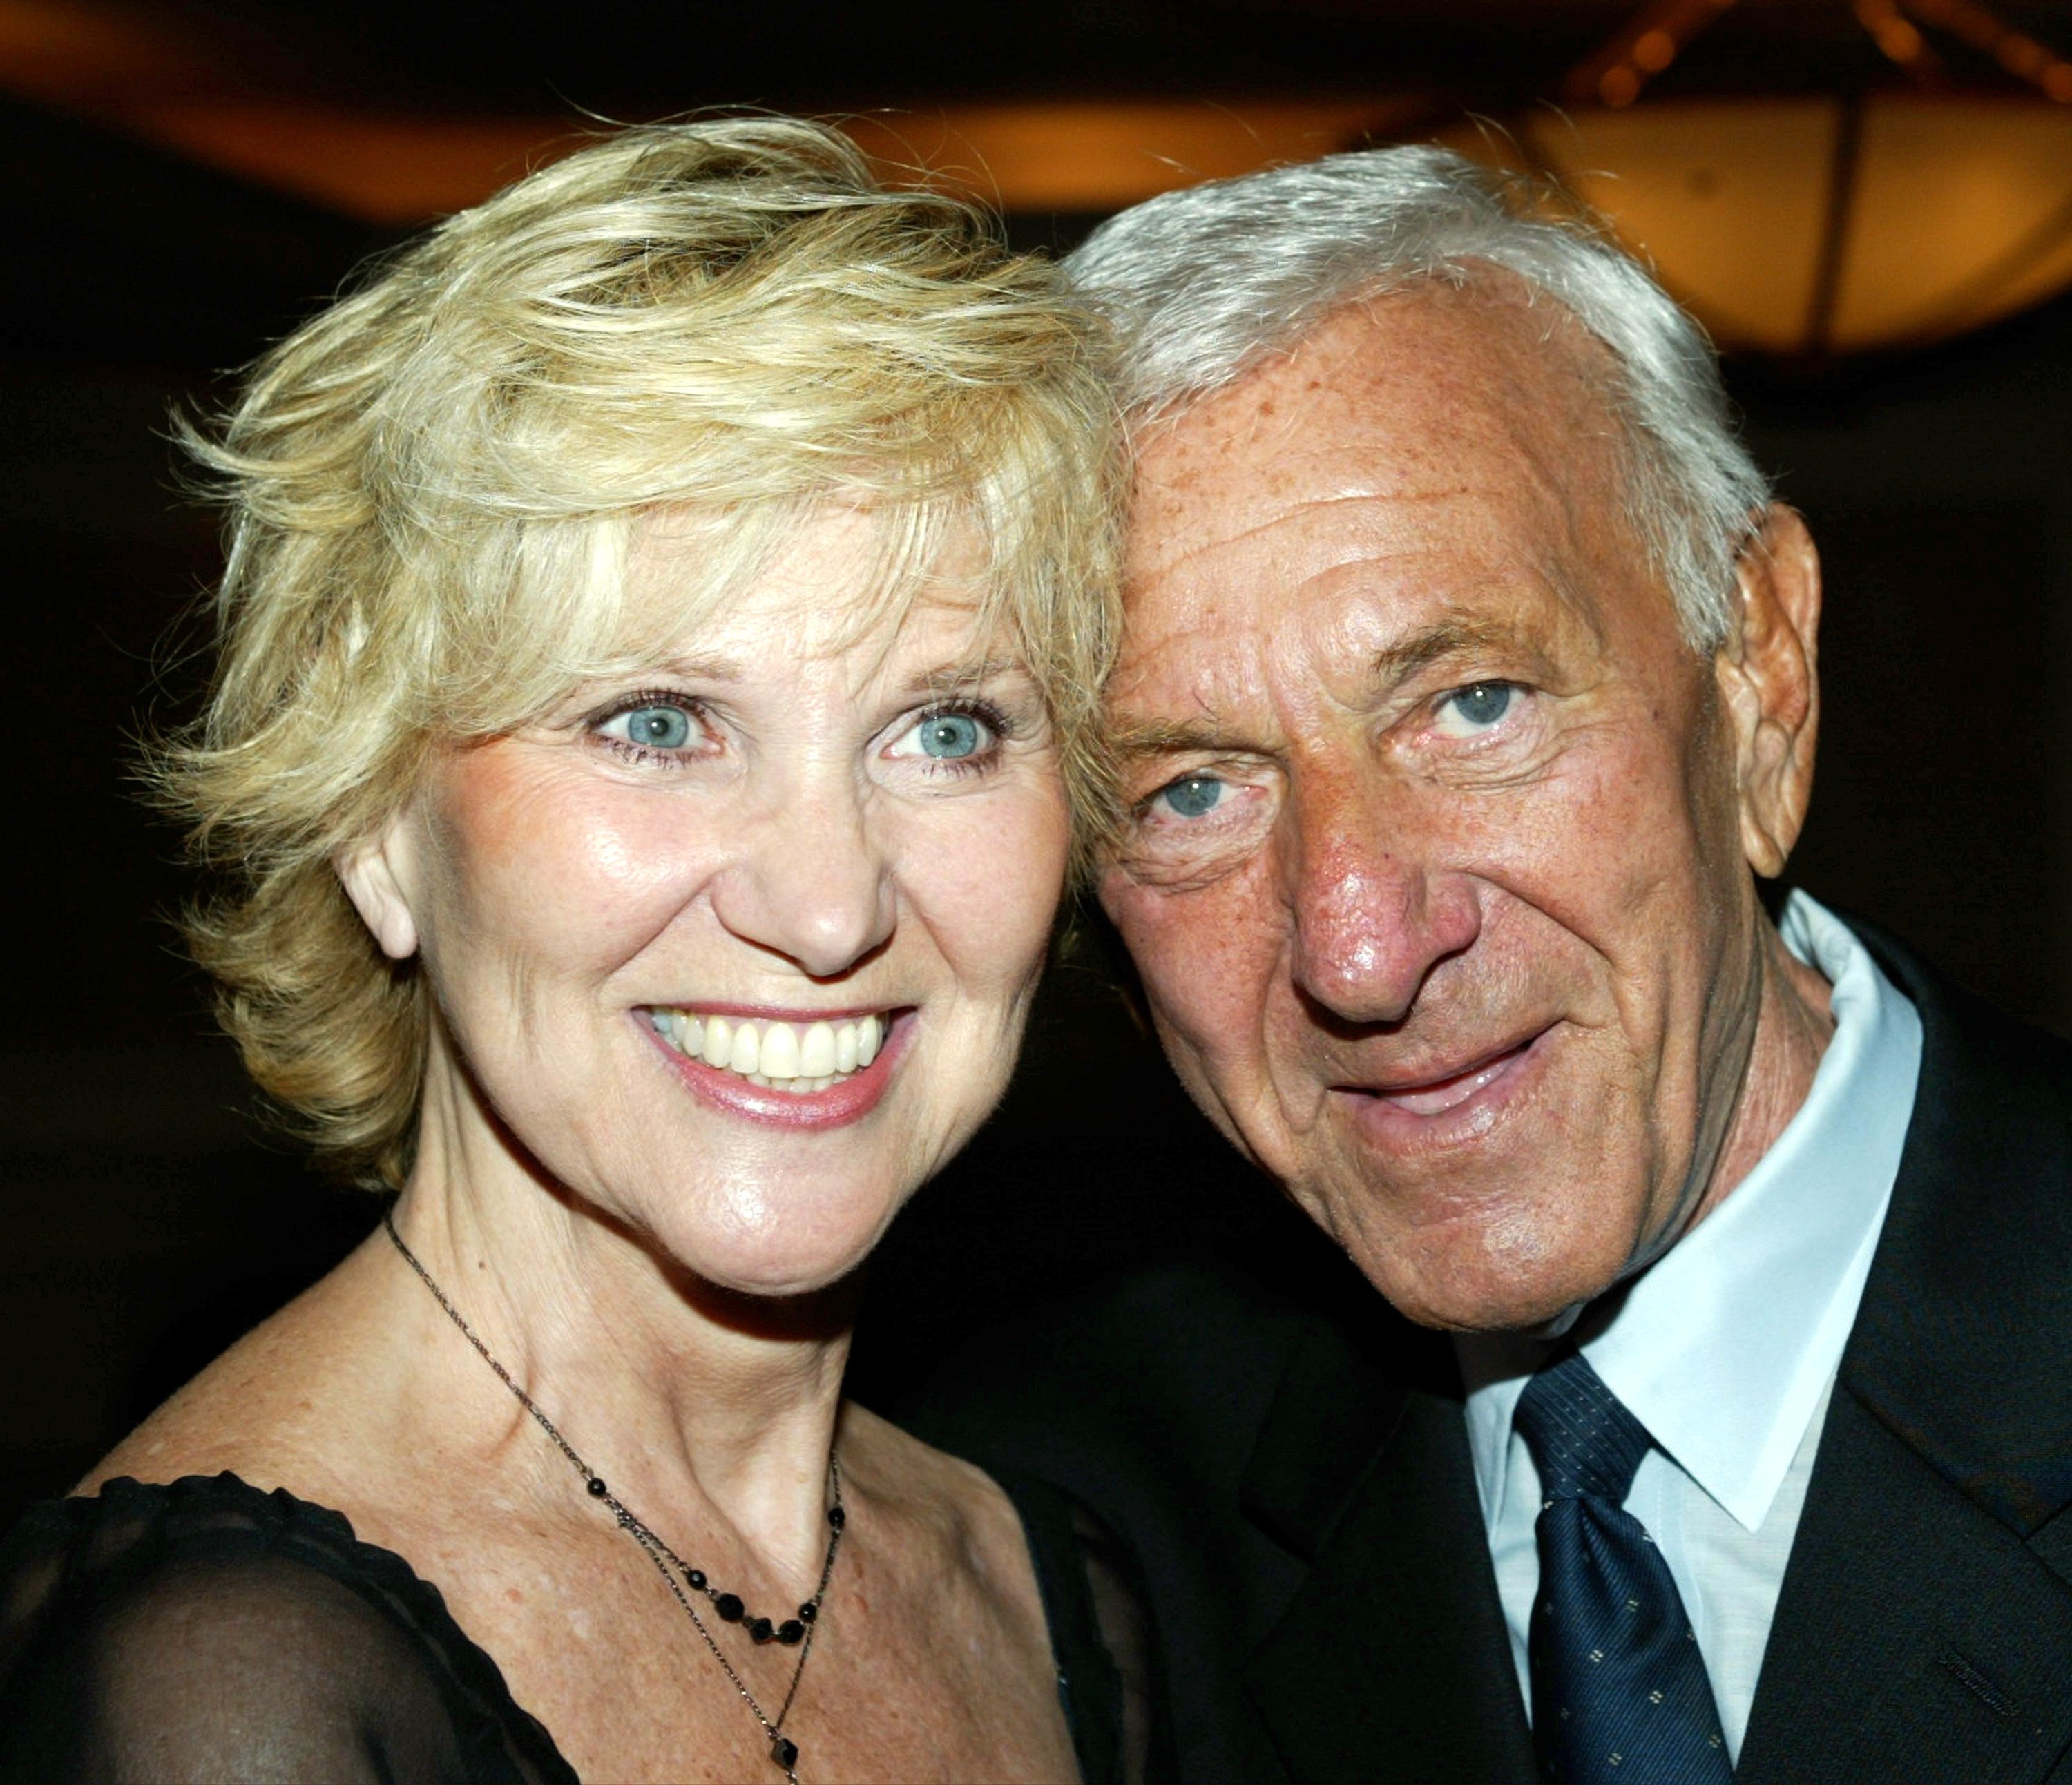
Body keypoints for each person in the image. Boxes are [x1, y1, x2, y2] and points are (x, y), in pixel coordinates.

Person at [0, 118, 1160, 1784]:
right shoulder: (225, 1687)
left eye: (951, 729)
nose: (830, 909)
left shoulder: (1053, 1595)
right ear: (377, 823)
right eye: (661, 721)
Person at [909, 146, 2072, 1783]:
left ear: (1759, 675)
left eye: (1472, 707)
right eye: (1191, 790)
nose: (1362, 949)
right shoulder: (1045, 1532)